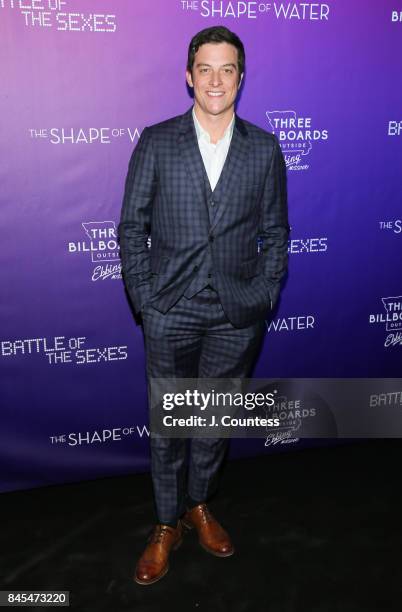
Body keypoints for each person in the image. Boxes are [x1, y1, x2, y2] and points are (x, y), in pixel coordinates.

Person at [118, 25, 290, 585]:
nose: (216, 80)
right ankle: (167, 522)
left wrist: (263, 294)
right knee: (170, 425)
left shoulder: (263, 147)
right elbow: (131, 227)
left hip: (236, 313)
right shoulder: (157, 140)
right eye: (206, 69)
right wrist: (146, 298)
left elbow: (277, 233)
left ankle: (199, 504)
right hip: (171, 308)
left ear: (242, 77)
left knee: (213, 421)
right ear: (188, 75)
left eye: (228, 69)